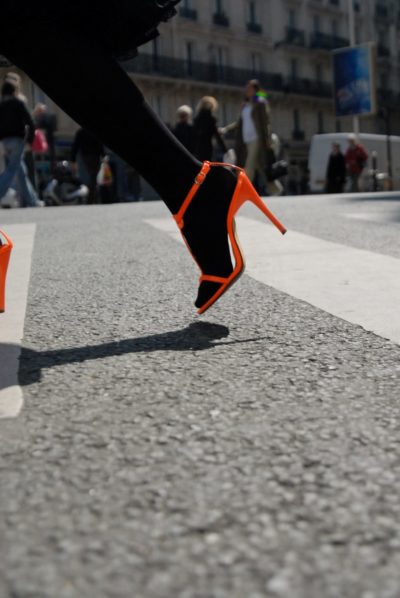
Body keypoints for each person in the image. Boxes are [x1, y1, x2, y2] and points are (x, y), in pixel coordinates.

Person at [0, 1, 285, 316]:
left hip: (251, 141)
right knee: (29, 26)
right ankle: (194, 188)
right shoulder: (243, 105)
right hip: (236, 143)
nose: (248, 90)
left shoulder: (256, 102)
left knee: (28, 23)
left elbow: (258, 119)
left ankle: (194, 188)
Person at [223, 80, 282, 196]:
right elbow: (238, 123)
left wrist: (267, 139)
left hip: (257, 139)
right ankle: (276, 189)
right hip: (245, 140)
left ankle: (241, 191)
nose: (247, 91)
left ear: (255, 90)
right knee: (261, 167)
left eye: (249, 88)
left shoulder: (260, 103)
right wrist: (226, 129)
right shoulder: (245, 105)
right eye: (247, 88)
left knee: (248, 165)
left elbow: (266, 122)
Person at [0, 81, 42, 207]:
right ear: (14, 91)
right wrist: (30, 140)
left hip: (4, 142)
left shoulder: (1, 105)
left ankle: (32, 201)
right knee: (12, 169)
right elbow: (30, 121)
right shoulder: (18, 103)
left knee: (20, 172)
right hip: (17, 140)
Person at [71, 127, 104, 204]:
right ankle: (93, 198)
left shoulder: (80, 131)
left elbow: (75, 145)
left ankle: (90, 198)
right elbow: (100, 145)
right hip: (96, 157)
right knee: (93, 178)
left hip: (85, 157)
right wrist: (103, 155)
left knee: (89, 178)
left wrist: (72, 159)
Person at [193, 96, 227, 162]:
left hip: (198, 148)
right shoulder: (211, 119)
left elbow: (193, 135)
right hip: (208, 147)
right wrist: (225, 150)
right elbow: (217, 136)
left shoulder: (197, 119)